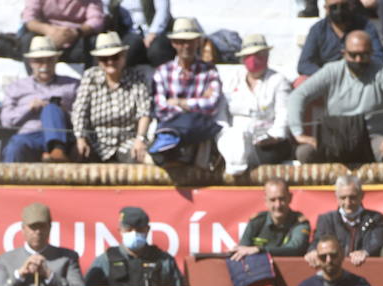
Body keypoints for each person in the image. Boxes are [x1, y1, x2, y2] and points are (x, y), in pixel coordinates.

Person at [288, 31, 383, 164]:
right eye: (353, 55)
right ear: (344, 53)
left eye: (363, 55)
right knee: (304, 153)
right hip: (334, 139)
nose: (358, 60)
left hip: (373, 139)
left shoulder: (380, 71)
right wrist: (298, 134)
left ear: (371, 53)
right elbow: (298, 95)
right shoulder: (332, 70)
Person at [148, 18, 223, 166]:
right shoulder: (163, 71)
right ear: (174, 44)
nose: (186, 46)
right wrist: (196, 104)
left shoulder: (209, 70)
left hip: (196, 128)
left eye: (190, 41)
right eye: (181, 42)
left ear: (197, 42)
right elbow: (160, 108)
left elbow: (212, 104)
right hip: (178, 124)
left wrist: (178, 102)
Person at [216, 35, 292, 176]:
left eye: (259, 55)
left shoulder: (278, 81)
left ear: (267, 56)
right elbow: (221, 114)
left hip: (265, 141)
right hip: (234, 140)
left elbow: (283, 114)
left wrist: (273, 137)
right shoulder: (233, 80)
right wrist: (225, 134)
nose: (254, 59)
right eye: (249, 56)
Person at [72, 33, 152, 163]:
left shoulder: (137, 78)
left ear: (123, 56)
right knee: (77, 155)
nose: (110, 62)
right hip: (96, 142)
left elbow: (144, 112)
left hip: (128, 142)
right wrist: (81, 138)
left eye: (115, 57)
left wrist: (140, 139)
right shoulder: (90, 77)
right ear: (98, 60)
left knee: (142, 160)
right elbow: (80, 111)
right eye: (104, 58)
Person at [0, 36, 80, 162]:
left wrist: (64, 112)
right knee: (15, 146)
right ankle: (6, 182)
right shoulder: (16, 87)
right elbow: (6, 121)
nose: (45, 65)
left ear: (56, 60)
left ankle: (57, 151)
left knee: (52, 108)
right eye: (39, 61)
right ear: (31, 62)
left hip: (65, 137)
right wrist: (28, 108)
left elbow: (84, 115)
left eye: (49, 60)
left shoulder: (72, 85)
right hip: (29, 136)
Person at [0, 202, 84, 286]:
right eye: (33, 227)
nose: (38, 232)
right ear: (23, 229)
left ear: (50, 227)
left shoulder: (67, 258)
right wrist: (19, 275)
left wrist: (49, 275)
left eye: (42, 226)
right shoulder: (6, 259)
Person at [85, 205, 184, 286]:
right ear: (120, 231)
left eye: (139, 230)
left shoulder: (164, 261)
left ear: (147, 230)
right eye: (129, 230)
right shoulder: (105, 260)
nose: (134, 233)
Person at [306, 175, 383, 268]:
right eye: (343, 198)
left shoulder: (375, 219)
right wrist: (313, 251)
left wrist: (365, 252)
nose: (348, 203)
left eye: (352, 197)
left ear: (361, 195)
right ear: (336, 198)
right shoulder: (326, 220)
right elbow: (317, 241)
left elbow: (378, 242)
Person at [231, 178, 311, 260]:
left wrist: (260, 250)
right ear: (265, 201)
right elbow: (243, 249)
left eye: (282, 199)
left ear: (290, 198)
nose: (278, 205)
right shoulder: (257, 221)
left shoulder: (300, 222)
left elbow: (295, 248)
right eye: (273, 200)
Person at [298, 0, 383, 75]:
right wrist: (326, 76)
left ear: (351, 6)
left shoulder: (365, 26)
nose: (339, 11)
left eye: (343, 6)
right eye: (334, 7)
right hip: (326, 81)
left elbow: (379, 57)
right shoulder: (318, 29)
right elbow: (304, 64)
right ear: (326, 8)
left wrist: (359, 70)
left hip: (361, 76)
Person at [20, 0, 106, 67]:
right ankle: (35, 80)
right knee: (28, 40)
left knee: (96, 42)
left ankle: (91, 80)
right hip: (47, 38)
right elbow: (29, 18)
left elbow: (97, 20)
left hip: (76, 40)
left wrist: (76, 32)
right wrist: (50, 31)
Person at [106, 0, 174, 68]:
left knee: (157, 50)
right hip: (129, 33)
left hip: (155, 31)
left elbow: (163, 11)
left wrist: (153, 33)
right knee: (129, 49)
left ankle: (163, 76)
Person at [298, 235, 372, 286]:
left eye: (333, 255)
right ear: (318, 258)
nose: (329, 260)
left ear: (342, 255)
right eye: (323, 256)